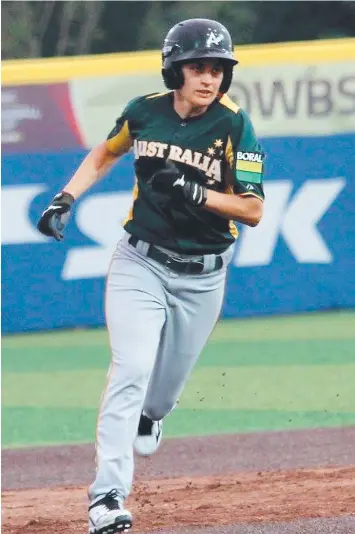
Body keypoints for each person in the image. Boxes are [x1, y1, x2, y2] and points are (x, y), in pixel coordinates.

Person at [37, 17, 265, 534]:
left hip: (203, 276)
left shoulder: (234, 126)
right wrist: (65, 197)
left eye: (217, 69)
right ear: (174, 70)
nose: (208, 78)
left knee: (158, 396)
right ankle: (107, 498)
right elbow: (105, 152)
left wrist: (197, 193)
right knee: (130, 369)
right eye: (196, 67)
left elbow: (252, 211)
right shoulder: (144, 112)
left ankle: (152, 414)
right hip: (139, 260)